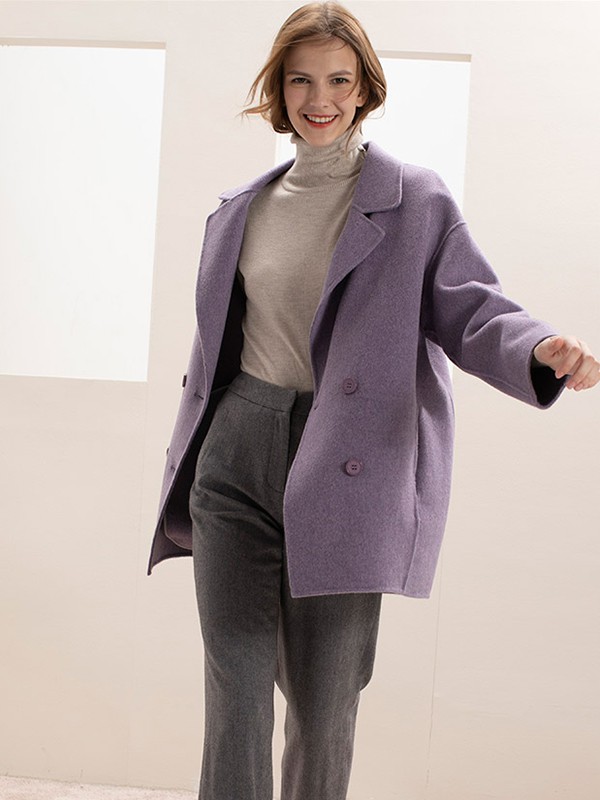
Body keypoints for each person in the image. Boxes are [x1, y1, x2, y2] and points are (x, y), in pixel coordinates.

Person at [147, 3, 600, 799]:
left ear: (364, 89)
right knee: (236, 693)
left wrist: (538, 349)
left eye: (338, 80)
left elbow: (472, 307)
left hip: (345, 464)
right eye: (300, 81)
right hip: (235, 454)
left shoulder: (414, 200)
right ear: (279, 90)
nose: (319, 99)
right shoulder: (240, 209)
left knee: (324, 706)